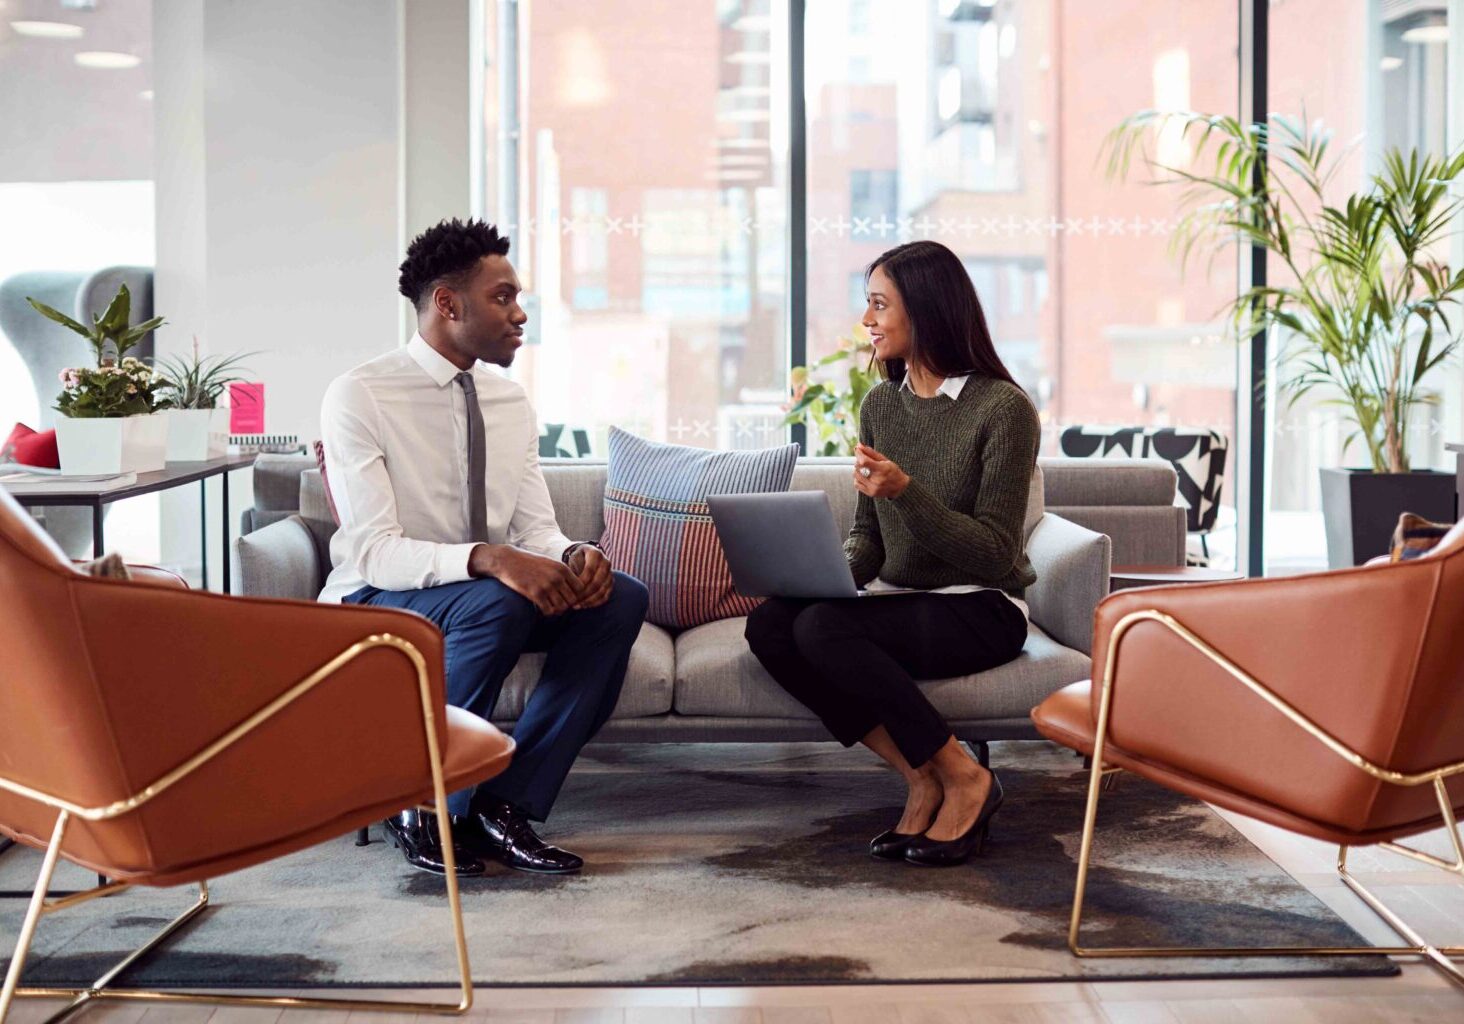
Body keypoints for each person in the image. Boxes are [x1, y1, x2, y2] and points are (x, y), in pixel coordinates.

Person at [319, 217, 649, 878]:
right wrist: (489, 558)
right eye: (503, 297)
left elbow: (534, 530)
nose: (519, 314)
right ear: (447, 304)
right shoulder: (360, 394)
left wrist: (573, 555)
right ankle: (424, 802)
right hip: (380, 593)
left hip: (487, 596)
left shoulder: (509, 401)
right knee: (495, 604)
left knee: (620, 600)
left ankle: (504, 800)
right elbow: (376, 550)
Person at [744, 240, 1038, 868]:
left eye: (879, 305)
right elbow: (869, 539)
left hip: (981, 607)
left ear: (926, 311)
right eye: (867, 305)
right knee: (772, 623)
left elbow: (993, 552)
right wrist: (817, 574)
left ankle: (966, 776)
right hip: (901, 602)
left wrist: (907, 492)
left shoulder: (1004, 410)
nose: (867, 320)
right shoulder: (881, 404)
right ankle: (919, 773)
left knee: (823, 629)